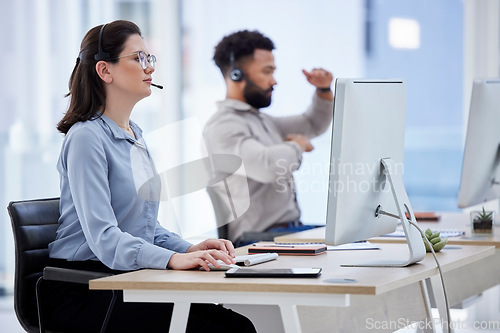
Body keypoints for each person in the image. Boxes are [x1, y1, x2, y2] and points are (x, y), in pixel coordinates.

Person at [46, 20, 256, 333]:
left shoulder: (135, 136)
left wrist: (187, 250)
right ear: (105, 71)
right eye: (138, 59)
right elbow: (105, 238)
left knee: (239, 326)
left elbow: (144, 228)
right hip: (85, 288)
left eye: (150, 59)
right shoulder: (86, 138)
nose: (149, 68)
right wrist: (171, 260)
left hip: (126, 279)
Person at [204, 30, 334, 247]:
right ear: (236, 74)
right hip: (256, 242)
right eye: (267, 72)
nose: (274, 81)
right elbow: (268, 167)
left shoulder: (261, 121)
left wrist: (323, 90)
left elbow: (312, 124)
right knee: (345, 244)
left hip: (286, 234)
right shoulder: (223, 126)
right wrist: (296, 146)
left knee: (349, 239)